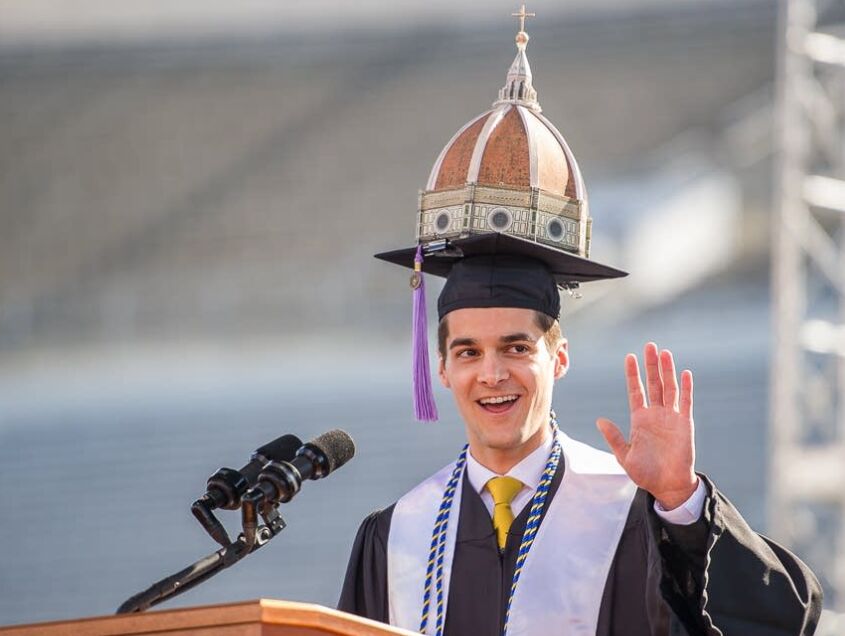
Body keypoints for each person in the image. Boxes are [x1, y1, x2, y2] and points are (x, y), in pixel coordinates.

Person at [337, 7, 823, 635]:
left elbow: (780, 624)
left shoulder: (634, 515)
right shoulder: (395, 535)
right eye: (467, 352)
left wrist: (680, 502)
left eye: (516, 347)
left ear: (557, 356)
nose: (491, 373)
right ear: (441, 366)